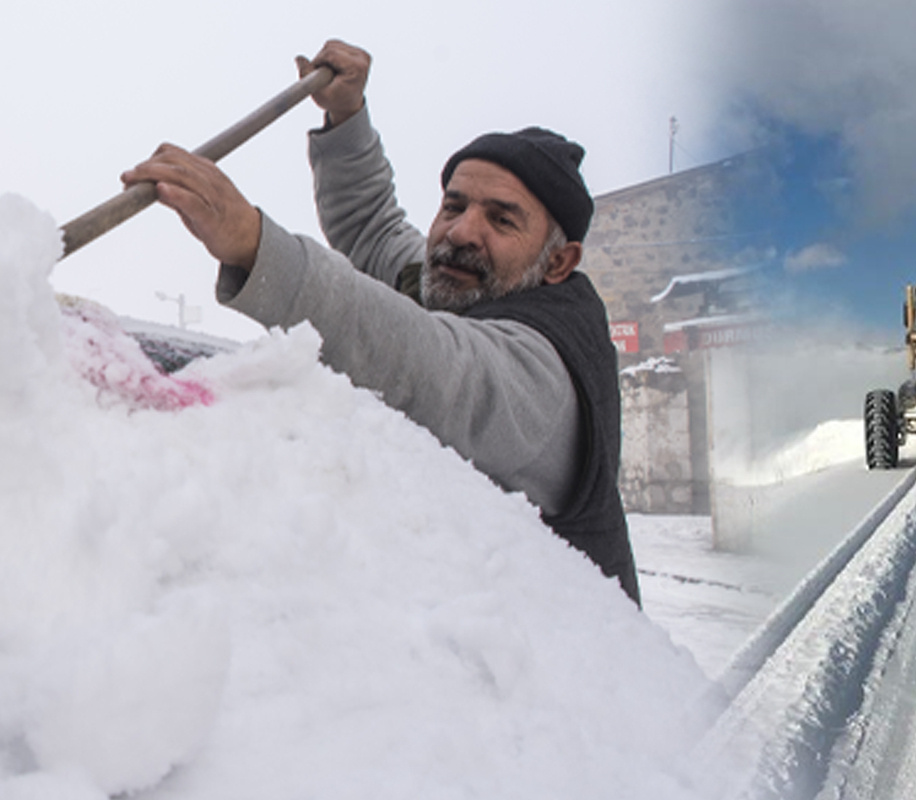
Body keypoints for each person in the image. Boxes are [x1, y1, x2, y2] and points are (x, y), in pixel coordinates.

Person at [121, 40, 640, 606]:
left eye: (501, 219)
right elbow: (374, 225)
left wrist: (254, 243)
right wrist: (345, 117)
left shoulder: (548, 370)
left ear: (559, 262)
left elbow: (436, 369)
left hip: (553, 679)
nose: (463, 231)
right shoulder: (460, 283)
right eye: (453, 206)